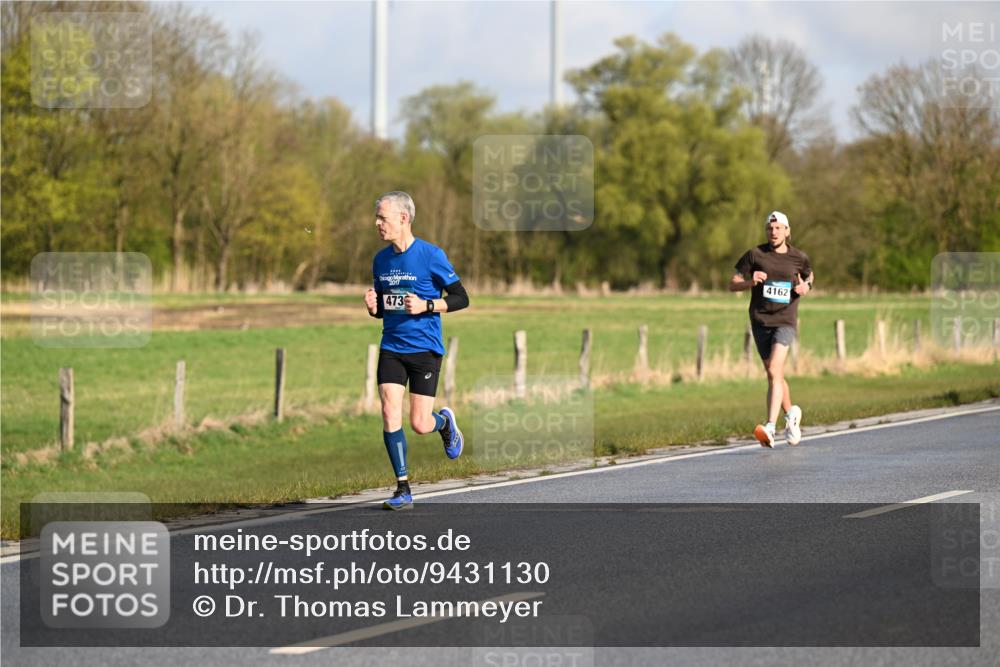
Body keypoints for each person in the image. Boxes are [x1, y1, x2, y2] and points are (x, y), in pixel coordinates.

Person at [364, 191, 469, 510]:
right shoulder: (380, 260)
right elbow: (385, 308)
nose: (377, 223)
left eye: (382, 217)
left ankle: (445, 424)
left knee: (421, 424)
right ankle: (403, 488)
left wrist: (428, 305)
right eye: (377, 217)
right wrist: (373, 308)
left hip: (425, 349)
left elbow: (461, 298)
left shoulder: (431, 255)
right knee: (388, 411)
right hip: (392, 347)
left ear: (403, 218)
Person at [729, 211, 813, 448]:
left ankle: (770, 427)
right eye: (770, 228)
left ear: (787, 231)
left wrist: (807, 286)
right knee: (773, 373)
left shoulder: (798, 257)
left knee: (775, 369)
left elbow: (809, 275)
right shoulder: (755, 254)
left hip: (785, 320)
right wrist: (750, 282)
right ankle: (791, 415)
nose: (773, 232)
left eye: (778, 228)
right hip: (760, 321)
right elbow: (732, 284)